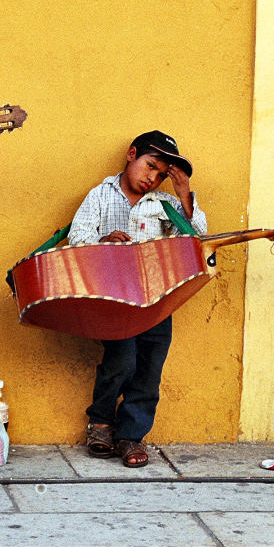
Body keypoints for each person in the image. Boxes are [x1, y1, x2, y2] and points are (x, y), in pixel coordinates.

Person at [68, 130, 207, 467]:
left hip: (159, 298)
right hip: (114, 298)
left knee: (149, 368)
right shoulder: (101, 195)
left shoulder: (169, 205)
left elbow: (199, 239)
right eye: (150, 166)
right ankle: (100, 422)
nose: (153, 178)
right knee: (123, 359)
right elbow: (77, 238)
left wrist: (184, 194)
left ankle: (131, 436)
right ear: (131, 154)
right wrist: (105, 240)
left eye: (161, 174)